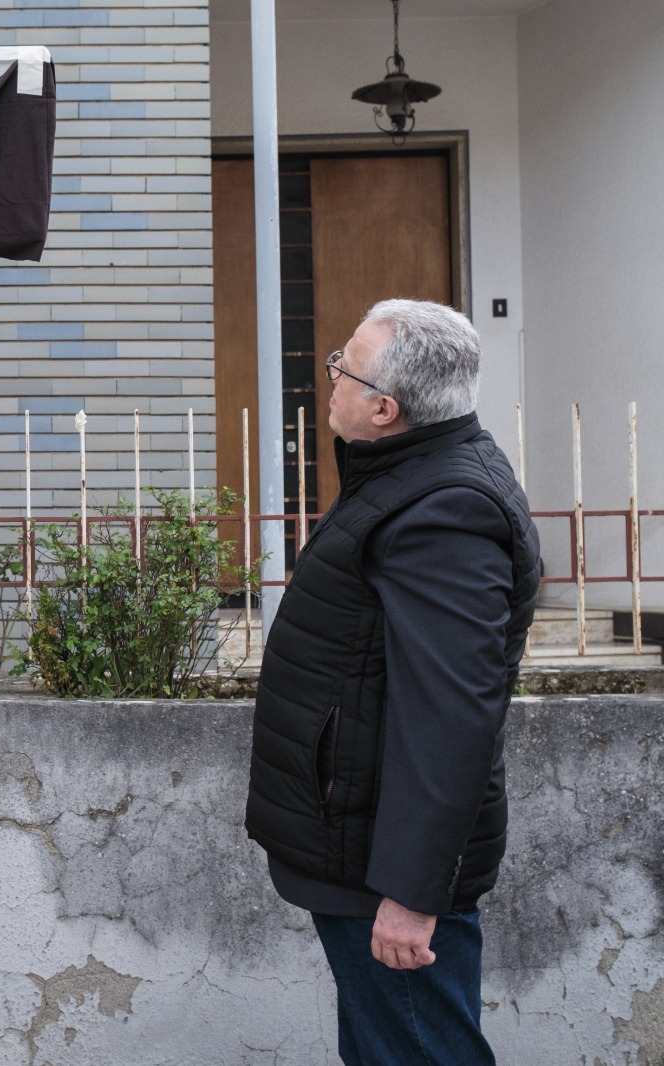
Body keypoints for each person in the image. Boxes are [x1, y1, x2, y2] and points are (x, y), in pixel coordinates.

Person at [245, 299, 542, 1065]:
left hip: (381, 862)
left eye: (343, 365)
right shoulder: (407, 476)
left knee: (416, 1052)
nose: (329, 377)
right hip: (361, 841)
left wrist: (412, 897)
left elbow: (450, 715)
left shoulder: (446, 507)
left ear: (385, 408)